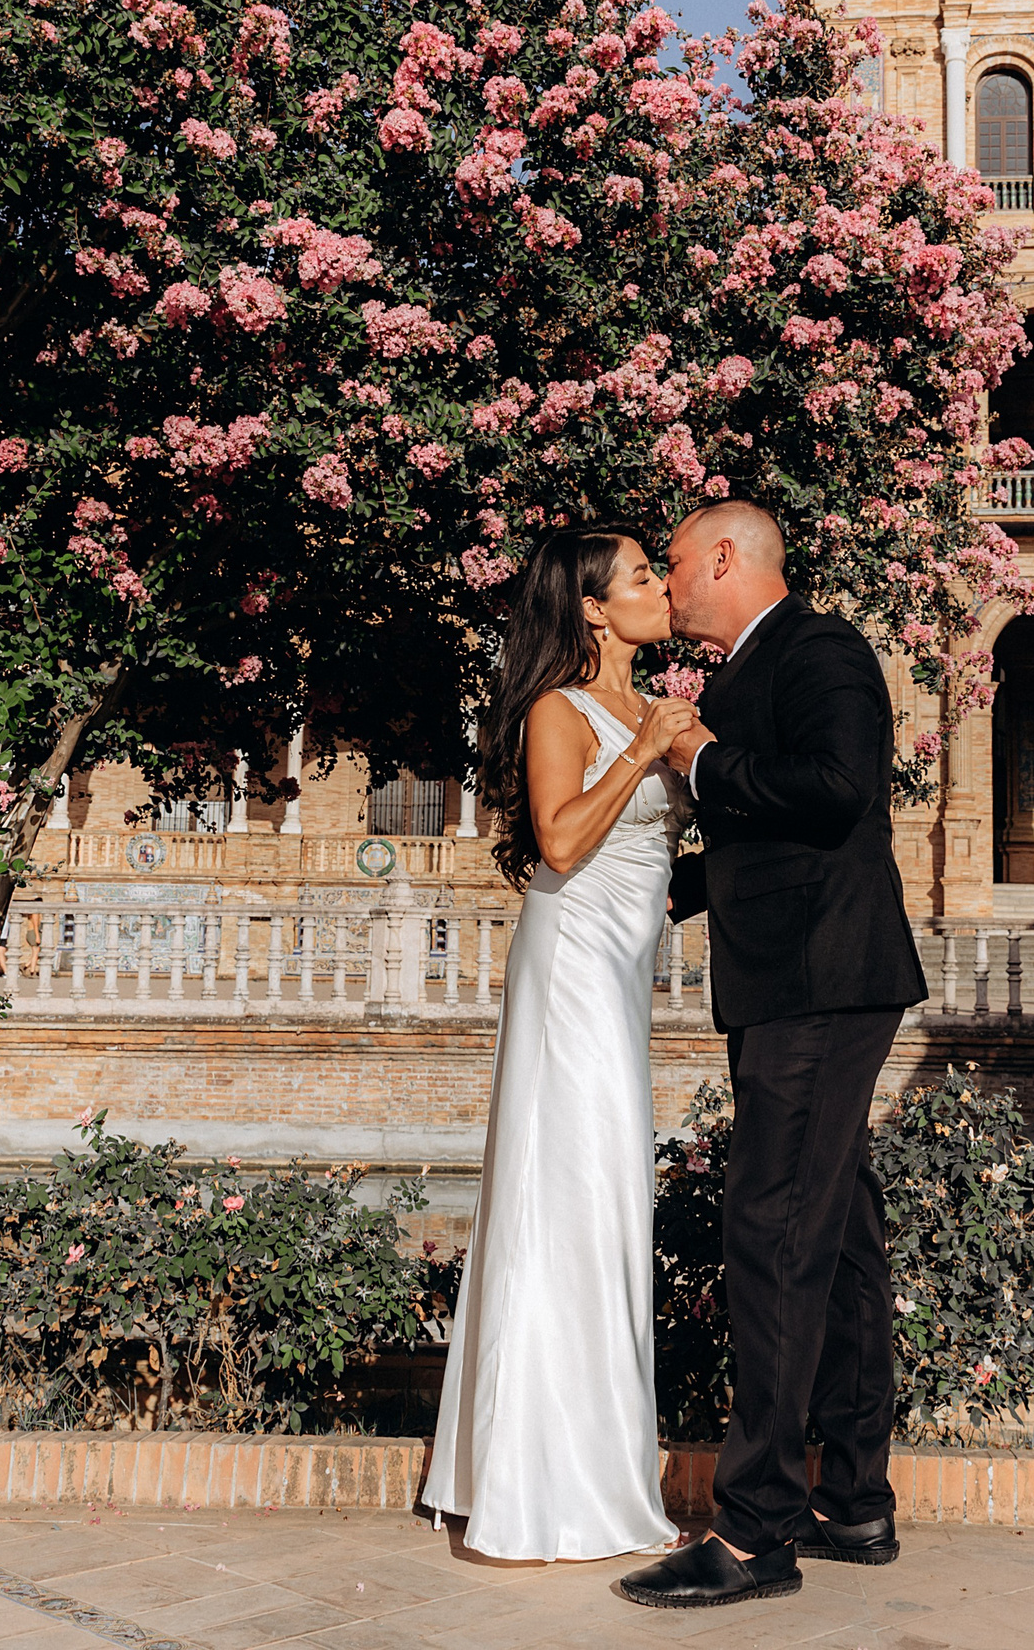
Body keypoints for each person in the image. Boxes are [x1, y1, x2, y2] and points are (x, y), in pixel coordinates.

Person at [613, 501, 925, 1611]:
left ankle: (752, 1532)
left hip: (821, 978)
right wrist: (639, 890)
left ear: (725, 559)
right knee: (834, 1234)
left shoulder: (819, 647)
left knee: (772, 1229)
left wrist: (701, 759)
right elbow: (757, 839)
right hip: (795, 976)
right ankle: (854, 1498)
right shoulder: (747, 671)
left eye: (677, 562)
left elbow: (836, 791)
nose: (670, 583)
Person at [424, 529, 702, 1563]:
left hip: (622, 972)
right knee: (570, 1191)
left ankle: (591, 1454)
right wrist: (644, 749)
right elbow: (559, 837)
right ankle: (546, 1480)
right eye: (638, 576)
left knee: (611, 1196)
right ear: (591, 608)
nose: (657, 588)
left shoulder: (653, 706)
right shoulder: (560, 708)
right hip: (571, 962)